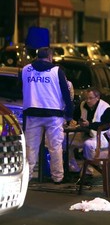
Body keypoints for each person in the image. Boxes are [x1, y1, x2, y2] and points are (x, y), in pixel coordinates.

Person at [22, 47, 73, 184]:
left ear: (37, 57)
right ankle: (57, 177)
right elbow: (66, 93)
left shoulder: (25, 69)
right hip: (53, 114)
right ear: (50, 57)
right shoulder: (56, 71)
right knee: (55, 147)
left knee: (31, 147)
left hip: (32, 113)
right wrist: (69, 114)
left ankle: (27, 176)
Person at [68, 87, 110, 174]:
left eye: (90, 98)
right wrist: (72, 122)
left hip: (101, 137)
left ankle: (89, 171)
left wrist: (90, 125)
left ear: (97, 98)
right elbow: (75, 117)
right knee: (64, 141)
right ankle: (73, 168)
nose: (88, 101)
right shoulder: (83, 105)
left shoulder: (106, 108)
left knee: (88, 144)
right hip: (85, 134)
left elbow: (106, 126)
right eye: (86, 98)